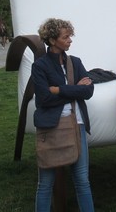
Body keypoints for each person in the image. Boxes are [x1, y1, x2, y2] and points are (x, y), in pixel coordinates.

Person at [32, 18, 95, 212]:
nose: (70, 40)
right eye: (65, 37)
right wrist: (75, 89)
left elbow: (88, 91)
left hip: (77, 124)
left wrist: (58, 90)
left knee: (82, 180)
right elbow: (43, 99)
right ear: (52, 40)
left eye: (70, 36)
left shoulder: (75, 62)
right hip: (51, 127)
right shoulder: (40, 66)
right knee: (45, 184)